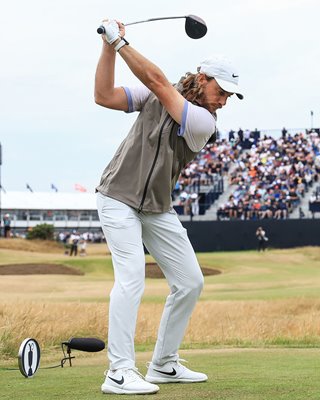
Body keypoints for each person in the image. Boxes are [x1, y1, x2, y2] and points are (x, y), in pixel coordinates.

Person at [94, 19, 243, 395]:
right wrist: (108, 48)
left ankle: (163, 364)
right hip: (117, 196)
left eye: (230, 96)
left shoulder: (203, 123)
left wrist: (121, 41)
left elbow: (158, 84)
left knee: (190, 282)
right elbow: (105, 96)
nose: (225, 100)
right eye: (222, 90)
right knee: (131, 279)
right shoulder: (158, 98)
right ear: (204, 78)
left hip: (157, 207)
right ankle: (119, 371)